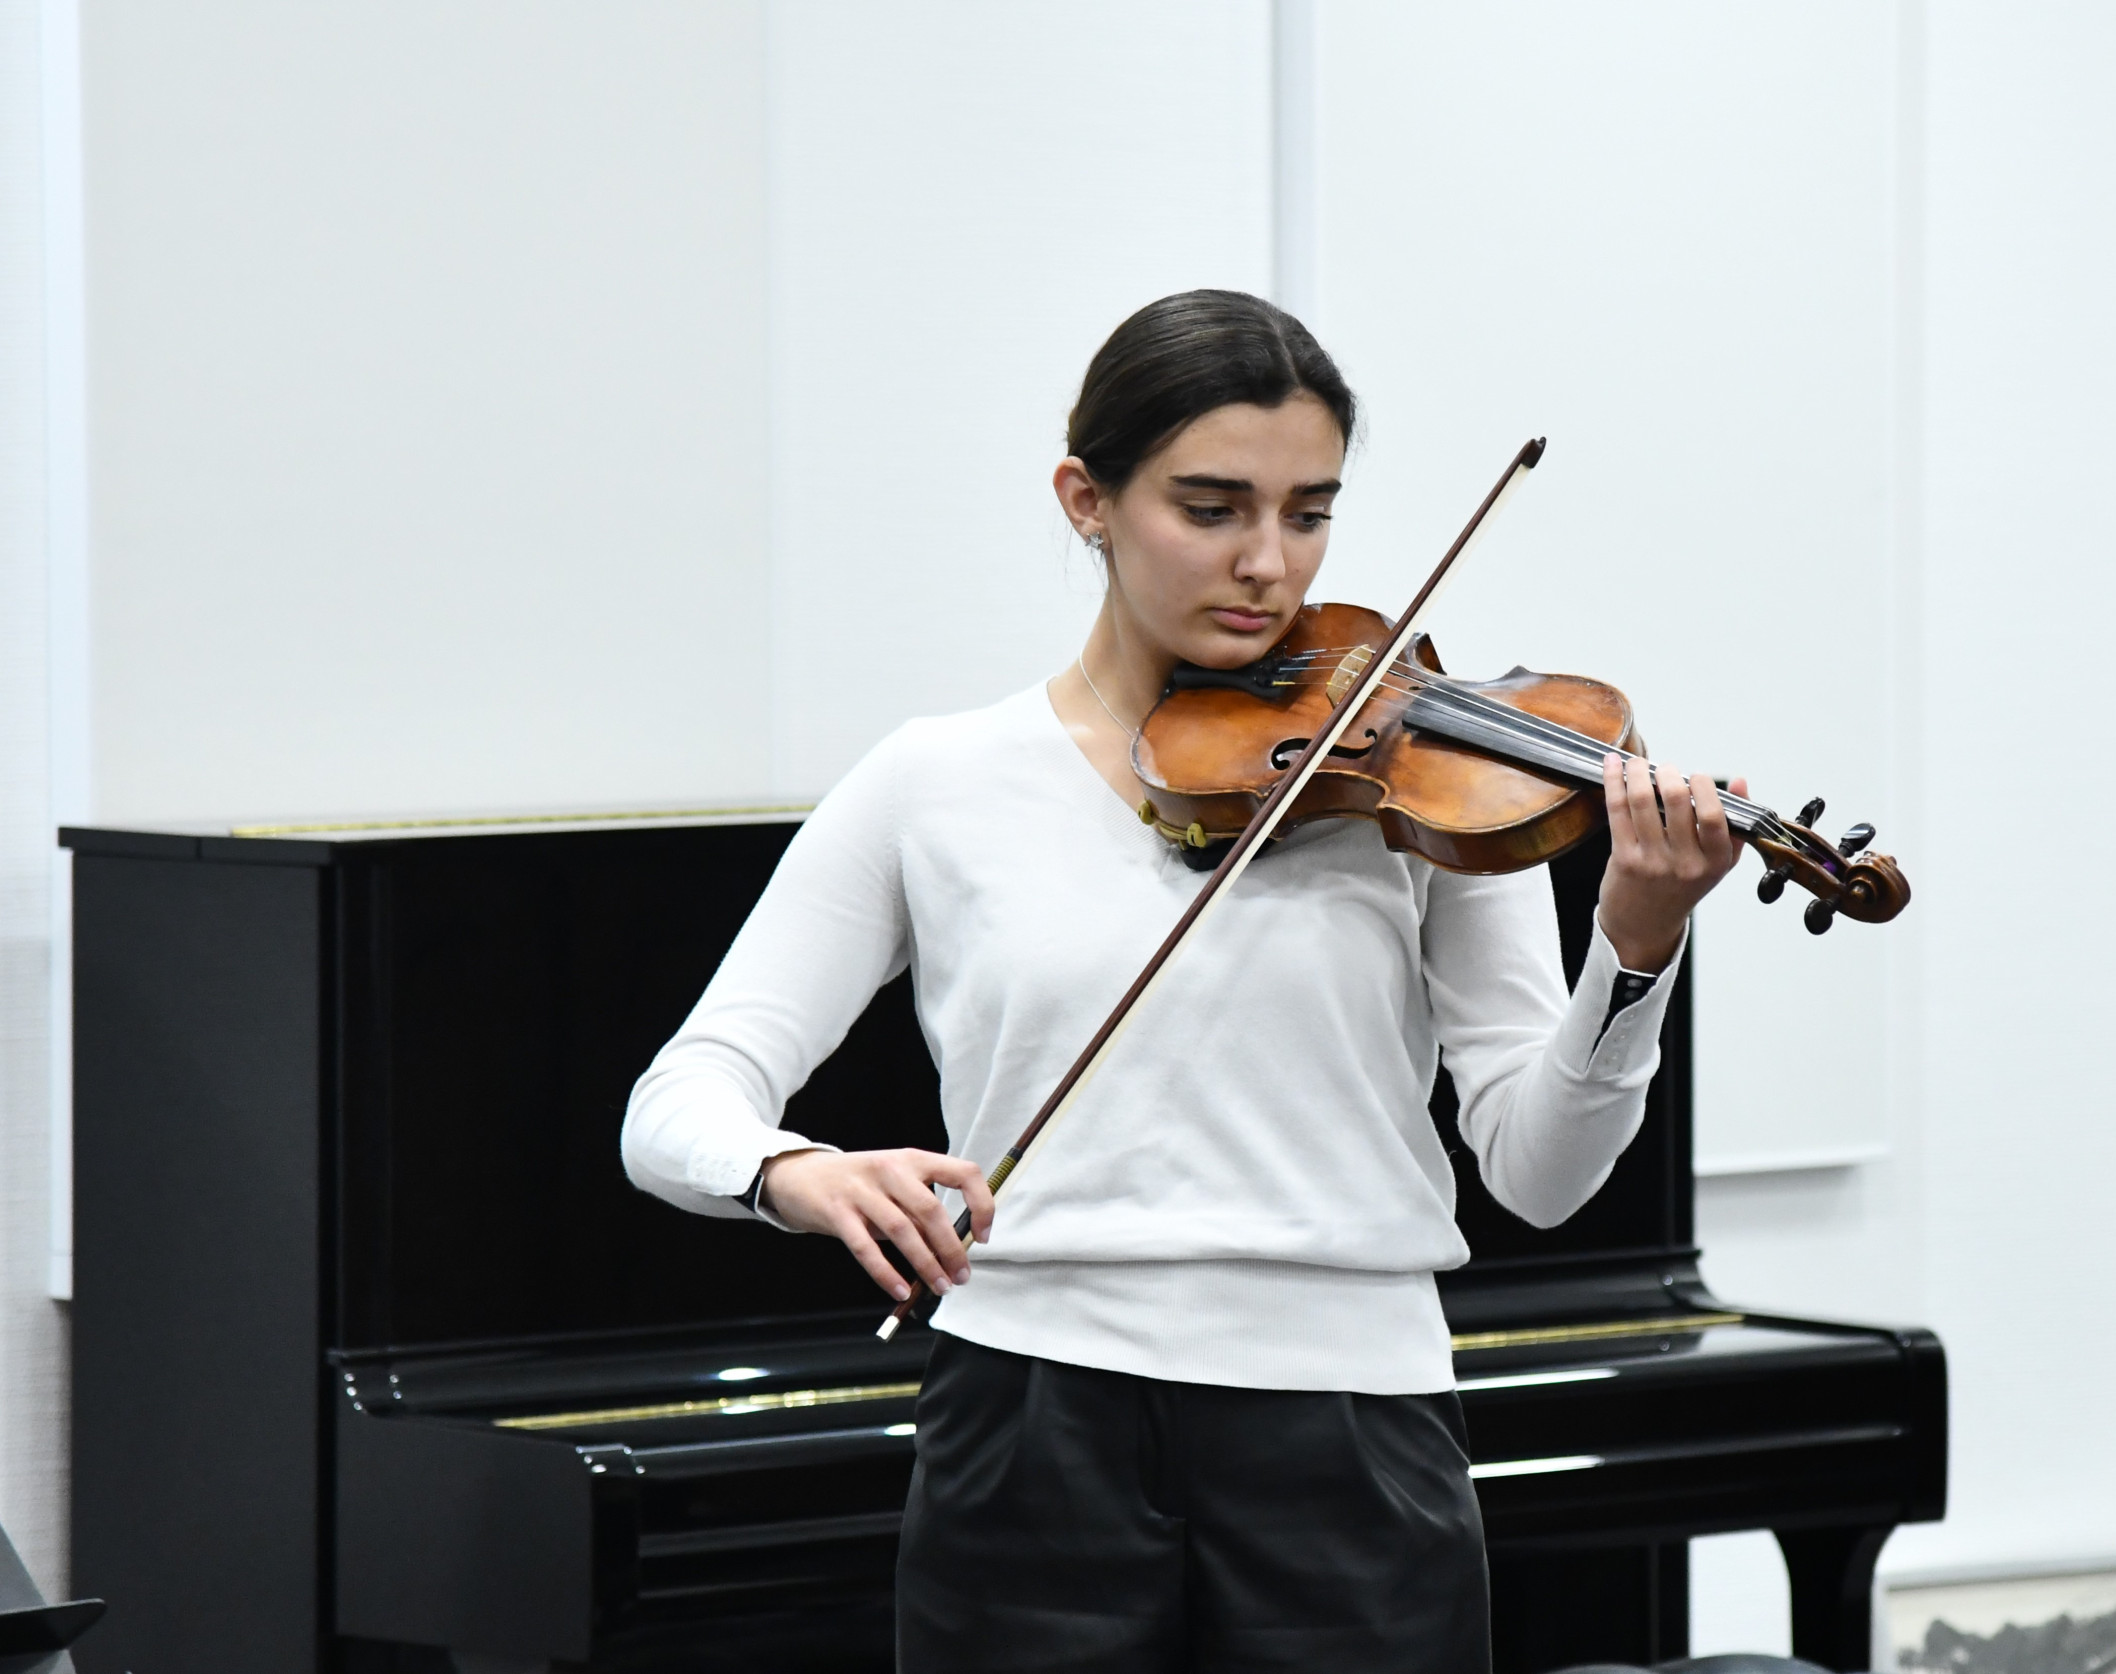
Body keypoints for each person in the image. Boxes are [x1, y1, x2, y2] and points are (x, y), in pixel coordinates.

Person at [620, 289, 1751, 1673]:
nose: (1268, 564)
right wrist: (793, 1170)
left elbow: (1540, 1174)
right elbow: (677, 1100)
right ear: (1086, 500)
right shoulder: (938, 780)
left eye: (1309, 513)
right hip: (1028, 1428)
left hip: (1353, 1428)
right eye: (1211, 509)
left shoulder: (1431, 775)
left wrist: (1634, 946)